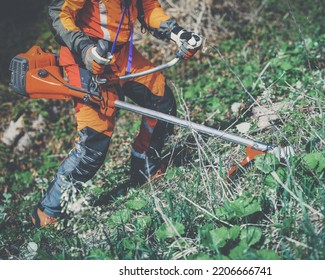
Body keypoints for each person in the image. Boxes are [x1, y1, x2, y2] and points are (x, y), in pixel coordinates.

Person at [31, 0, 202, 228]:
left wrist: (178, 34)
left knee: (160, 100)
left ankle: (144, 163)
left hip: (122, 55)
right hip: (85, 59)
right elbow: (59, 13)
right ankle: (48, 210)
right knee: (94, 141)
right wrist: (85, 49)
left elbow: (149, 9)